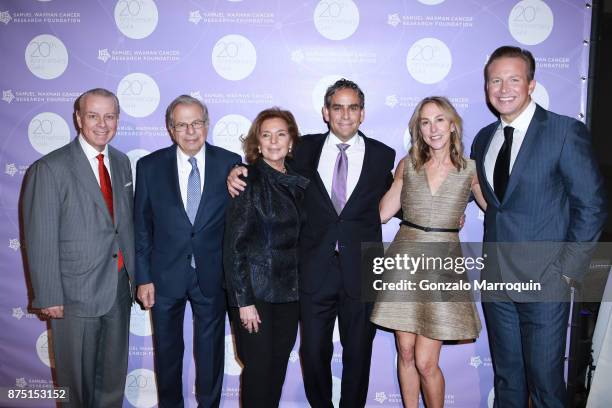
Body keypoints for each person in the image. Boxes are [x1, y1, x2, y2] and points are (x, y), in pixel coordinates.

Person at [228, 79, 396, 407]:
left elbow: (396, 200)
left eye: (352, 108)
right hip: (312, 271)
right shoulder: (303, 149)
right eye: (337, 107)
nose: (345, 115)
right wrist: (234, 171)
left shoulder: (382, 155)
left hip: (362, 271)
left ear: (362, 113)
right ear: (325, 112)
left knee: (359, 351)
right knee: (313, 351)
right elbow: (267, 166)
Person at [471, 46, 607, 408]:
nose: (503, 88)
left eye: (514, 79)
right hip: (497, 278)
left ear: (531, 84)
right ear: (486, 87)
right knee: (508, 379)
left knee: (546, 384)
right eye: (495, 80)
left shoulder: (563, 132)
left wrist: (568, 272)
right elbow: (497, 206)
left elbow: (591, 205)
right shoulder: (484, 138)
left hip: (546, 280)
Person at [370, 96, 487, 408]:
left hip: (442, 264)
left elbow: (495, 208)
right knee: (405, 352)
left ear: (452, 125)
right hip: (405, 259)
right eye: (425, 122)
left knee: (425, 362)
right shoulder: (407, 165)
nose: (432, 128)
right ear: (417, 129)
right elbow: (383, 212)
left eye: (439, 120)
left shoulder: (471, 170)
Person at [22, 88, 134, 407]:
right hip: (73, 296)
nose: (102, 123)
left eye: (110, 116)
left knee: (112, 382)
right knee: (75, 389)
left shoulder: (123, 163)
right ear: (78, 118)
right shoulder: (50, 168)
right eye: (93, 115)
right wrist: (50, 296)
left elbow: (123, 227)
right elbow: (41, 236)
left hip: (117, 290)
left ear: (117, 120)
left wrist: (138, 279)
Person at [134, 95, 241, 407]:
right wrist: (143, 278)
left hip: (212, 276)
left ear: (206, 125)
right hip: (164, 277)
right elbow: (142, 226)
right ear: (170, 129)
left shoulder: (230, 163)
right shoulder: (149, 167)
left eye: (196, 123)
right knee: (167, 353)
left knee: (210, 354)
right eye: (182, 125)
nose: (191, 131)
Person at [224, 107, 309, 407]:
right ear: (257, 143)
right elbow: (234, 248)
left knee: (277, 370)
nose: (274, 141)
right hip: (256, 296)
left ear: (291, 142)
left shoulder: (298, 182)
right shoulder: (248, 181)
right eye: (266, 135)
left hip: (289, 295)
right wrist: (243, 301)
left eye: (281, 134)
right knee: (259, 372)